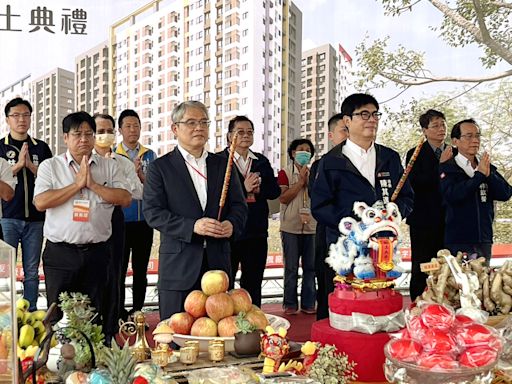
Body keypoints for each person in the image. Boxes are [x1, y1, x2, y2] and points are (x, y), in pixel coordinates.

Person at [143, 101, 247, 320]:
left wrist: (232, 224)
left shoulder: (223, 164)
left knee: (217, 342)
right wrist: (192, 226)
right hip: (179, 268)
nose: (198, 127)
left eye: (203, 122)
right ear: (175, 129)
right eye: (191, 122)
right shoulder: (160, 168)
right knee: (175, 339)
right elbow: (153, 212)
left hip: (218, 265)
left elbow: (239, 205)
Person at [33, 111, 131, 322]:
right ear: (65, 137)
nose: (84, 139)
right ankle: (53, 354)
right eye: (77, 134)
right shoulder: (50, 166)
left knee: (94, 315)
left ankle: (92, 354)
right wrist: (76, 185)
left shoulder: (109, 166)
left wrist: (93, 185)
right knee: (55, 315)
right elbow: (40, 202)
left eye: (89, 134)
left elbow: (125, 198)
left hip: (97, 253)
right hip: (61, 254)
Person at [311, 93, 414, 274]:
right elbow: (320, 206)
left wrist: (391, 217)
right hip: (345, 249)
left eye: (375, 114)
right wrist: (359, 224)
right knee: (345, 299)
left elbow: (406, 197)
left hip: (384, 245)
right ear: (347, 121)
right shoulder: (331, 161)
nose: (372, 120)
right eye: (364, 114)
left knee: (381, 297)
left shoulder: (389, 157)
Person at [218, 116, 280, 307]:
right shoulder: (218, 161)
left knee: (253, 283)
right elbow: (214, 196)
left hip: (256, 231)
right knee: (224, 283)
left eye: (249, 132)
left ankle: (253, 324)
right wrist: (242, 188)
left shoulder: (261, 161)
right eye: (240, 132)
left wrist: (259, 189)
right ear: (230, 136)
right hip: (228, 232)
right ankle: (226, 325)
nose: (245, 136)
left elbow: (274, 191)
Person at [93, 113, 143, 344]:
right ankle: (92, 324)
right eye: (100, 131)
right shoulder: (85, 160)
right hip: (90, 223)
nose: (105, 135)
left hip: (116, 220)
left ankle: (112, 326)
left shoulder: (122, 162)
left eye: (109, 130)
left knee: (116, 272)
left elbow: (137, 193)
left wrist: (119, 187)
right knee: (95, 275)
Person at [0, 98, 53, 311]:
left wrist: (30, 167)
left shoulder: (41, 148)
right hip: (8, 217)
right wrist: (18, 166)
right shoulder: (0, 148)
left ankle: (30, 313)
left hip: (36, 218)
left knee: (31, 270)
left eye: (25, 115)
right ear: (7, 119)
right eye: (16, 115)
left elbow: (52, 179)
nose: (21, 119)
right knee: (6, 269)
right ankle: (7, 314)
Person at [440, 118, 512, 264]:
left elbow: (505, 193)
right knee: (461, 284)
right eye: (468, 136)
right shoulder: (447, 168)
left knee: (483, 284)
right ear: (455, 141)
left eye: (477, 135)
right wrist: (478, 176)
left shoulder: (485, 166)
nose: (475, 140)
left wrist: (488, 175)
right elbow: (454, 195)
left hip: (483, 239)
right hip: (458, 241)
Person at [114, 109, 157, 319]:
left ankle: (138, 312)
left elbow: (154, 189)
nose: (133, 130)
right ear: (120, 129)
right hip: (121, 222)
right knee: (119, 270)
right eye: (128, 126)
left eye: (136, 125)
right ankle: (120, 313)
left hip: (144, 222)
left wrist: (140, 174)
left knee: (141, 271)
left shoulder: (149, 155)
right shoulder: (113, 155)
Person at [406, 110, 450, 301]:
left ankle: (447, 299)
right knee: (424, 263)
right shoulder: (415, 153)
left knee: (447, 262)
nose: (441, 129)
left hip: (449, 219)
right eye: (435, 126)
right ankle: (419, 300)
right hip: (423, 220)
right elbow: (415, 183)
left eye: (443, 124)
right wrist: (440, 166)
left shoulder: (453, 151)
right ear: (425, 130)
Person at [309, 113, 349, 320]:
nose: (349, 135)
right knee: (328, 283)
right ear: (331, 135)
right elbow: (318, 201)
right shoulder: (321, 165)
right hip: (329, 233)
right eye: (344, 130)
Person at [278, 138, 317, 315]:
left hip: (312, 227)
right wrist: (300, 182)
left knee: (311, 267)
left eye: (308, 150)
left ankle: (309, 304)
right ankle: (290, 304)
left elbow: (318, 195)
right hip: (290, 228)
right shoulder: (284, 172)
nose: (304, 153)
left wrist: (308, 181)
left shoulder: (315, 172)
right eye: (301, 150)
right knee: (291, 267)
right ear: (293, 153)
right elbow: (284, 197)